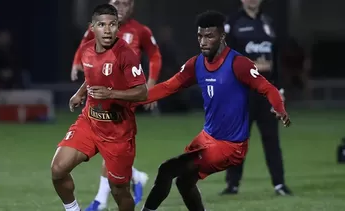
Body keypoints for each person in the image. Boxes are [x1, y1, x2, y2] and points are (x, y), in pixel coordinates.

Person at [102, 10, 290, 211]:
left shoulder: (238, 63)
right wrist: (130, 101)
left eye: (209, 36)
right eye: (200, 36)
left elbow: (267, 88)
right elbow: (167, 87)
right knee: (184, 182)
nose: (203, 41)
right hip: (207, 137)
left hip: (230, 146)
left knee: (167, 170)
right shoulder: (196, 64)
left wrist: (279, 108)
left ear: (222, 37)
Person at [51, 4, 147, 211]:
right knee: (58, 169)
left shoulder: (126, 55)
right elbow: (94, 75)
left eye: (112, 25)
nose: (107, 29)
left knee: (119, 190)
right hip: (90, 122)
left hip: (118, 132)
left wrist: (111, 93)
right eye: (101, 25)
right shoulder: (86, 51)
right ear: (92, 28)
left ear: (118, 27)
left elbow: (142, 92)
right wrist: (80, 93)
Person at [72, 1, 162, 210]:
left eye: (126, 3)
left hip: (124, 95)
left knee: (112, 142)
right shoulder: (100, 28)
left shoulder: (141, 31)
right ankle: (134, 176)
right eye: (116, 2)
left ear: (133, 6)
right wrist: (77, 62)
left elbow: (155, 55)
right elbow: (85, 45)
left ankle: (100, 200)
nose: (121, 7)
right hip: (101, 94)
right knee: (110, 146)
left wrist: (151, 84)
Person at [221, 0, 292, 195]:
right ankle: (232, 185)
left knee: (272, 139)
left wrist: (280, 90)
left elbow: (276, 60)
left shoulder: (268, 23)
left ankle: (279, 184)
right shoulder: (232, 23)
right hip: (241, 92)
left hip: (266, 92)